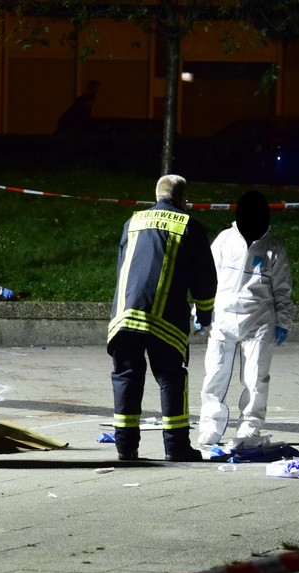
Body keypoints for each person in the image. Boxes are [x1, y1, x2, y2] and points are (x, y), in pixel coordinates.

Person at [107, 174, 217, 462]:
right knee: (170, 377)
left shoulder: (132, 223)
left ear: (156, 196)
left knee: (126, 378)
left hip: (125, 315)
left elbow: (122, 267)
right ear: (182, 199)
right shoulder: (188, 225)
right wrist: (204, 312)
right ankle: (176, 446)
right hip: (164, 318)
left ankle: (125, 447)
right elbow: (204, 277)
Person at [197, 190, 294, 449]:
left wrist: (283, 321)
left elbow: (282, 288)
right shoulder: (224, 241)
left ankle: (250, 425)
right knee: (215, 374)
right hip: (223, 317)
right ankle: (210, 425)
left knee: (256, 378)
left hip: (259, 321)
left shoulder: (273, 248)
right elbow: (207, 278)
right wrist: (200, 311)